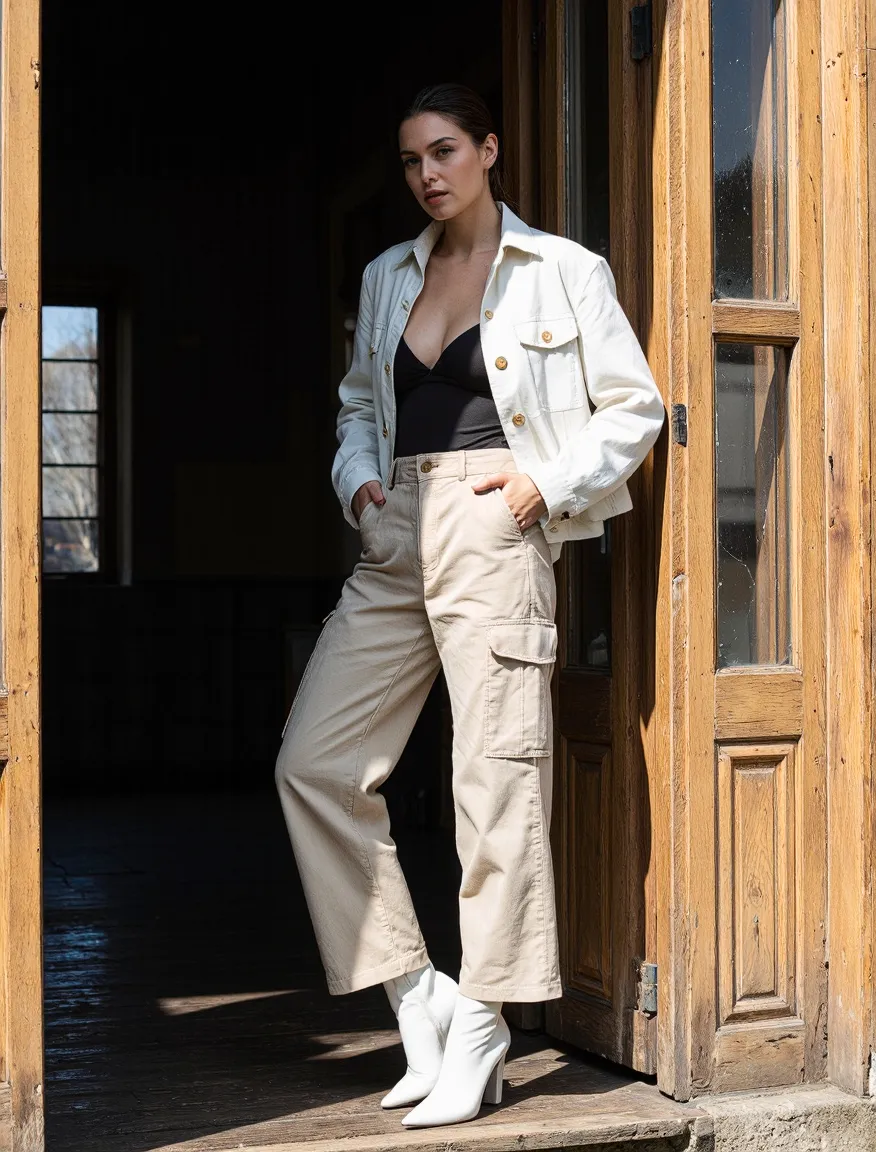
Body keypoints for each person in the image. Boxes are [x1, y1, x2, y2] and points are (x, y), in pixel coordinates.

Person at [275, 82, 664, 1129]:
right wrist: (355, 475)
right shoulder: (386, 273)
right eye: (410, 161)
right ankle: (418, 992)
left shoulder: (562, 272)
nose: (427, 174)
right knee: (313, 763)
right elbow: (360, 402)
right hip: (394, 527)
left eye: (444, 151)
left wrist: (547, 483)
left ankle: (485, 1016)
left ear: (487, 150)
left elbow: (635, 406)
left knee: (491, 783)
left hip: (496, 524)